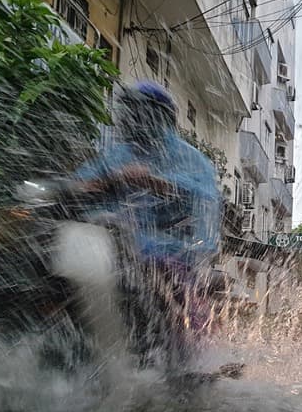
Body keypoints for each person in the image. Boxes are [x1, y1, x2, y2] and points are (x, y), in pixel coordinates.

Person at [68, 80, 223, 366]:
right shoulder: (118, 154)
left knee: (167, 283)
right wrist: (93, 184)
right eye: (127, 111)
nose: (128, 119)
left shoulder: (190, 159)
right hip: (110, 247)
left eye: (137, 111)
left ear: (158, 116)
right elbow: (82, 182)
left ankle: (186, 359)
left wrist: (153, 182)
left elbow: (201, 198)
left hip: (171, 253)